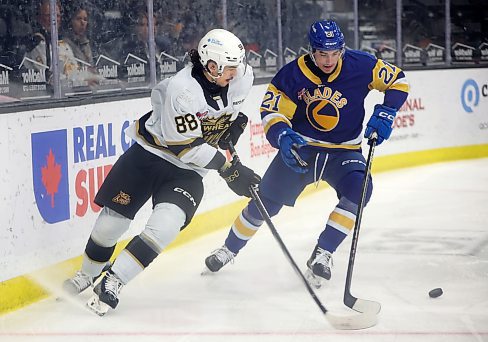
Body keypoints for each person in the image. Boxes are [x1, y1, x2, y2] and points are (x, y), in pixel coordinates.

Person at [63, 28, 261, 315]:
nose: (236, 72)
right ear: (211, 65)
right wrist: (228, 168)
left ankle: (114, 280)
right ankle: (87, 273)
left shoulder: (242, 76)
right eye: (229, 67)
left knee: (166, 225)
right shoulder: (182, 91)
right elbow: (187, 148)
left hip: (187, 174)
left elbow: (231, 114)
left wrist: (234, 126)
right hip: (149, 157)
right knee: (110, 225)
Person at [204, 20, 409, 288]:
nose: (329, 59)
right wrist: (282, 136)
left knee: (360, 190)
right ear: (311, 51)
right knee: (265, 203)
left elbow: (398, 80)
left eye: (335, 53)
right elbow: (272, 112)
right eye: (323, 53)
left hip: (344, 151)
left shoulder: (362, 65)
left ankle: (323, 253)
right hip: (303, 149)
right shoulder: (292, 75)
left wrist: (387, 110)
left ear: (342, 49)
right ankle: (229, 249)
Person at [23, 0, 79, 81]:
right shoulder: (36, 42)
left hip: (69, 91)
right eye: (48, 15)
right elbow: (47, 76)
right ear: (40, 18)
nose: (54, 19)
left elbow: (75, 71)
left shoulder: (64, 44)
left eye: (57, 16)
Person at [62, 1, 94, 65]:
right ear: (71, 21)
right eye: (79, 19)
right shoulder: (64, 44)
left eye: (85, 19)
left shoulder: (87, 43)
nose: (83, 23)